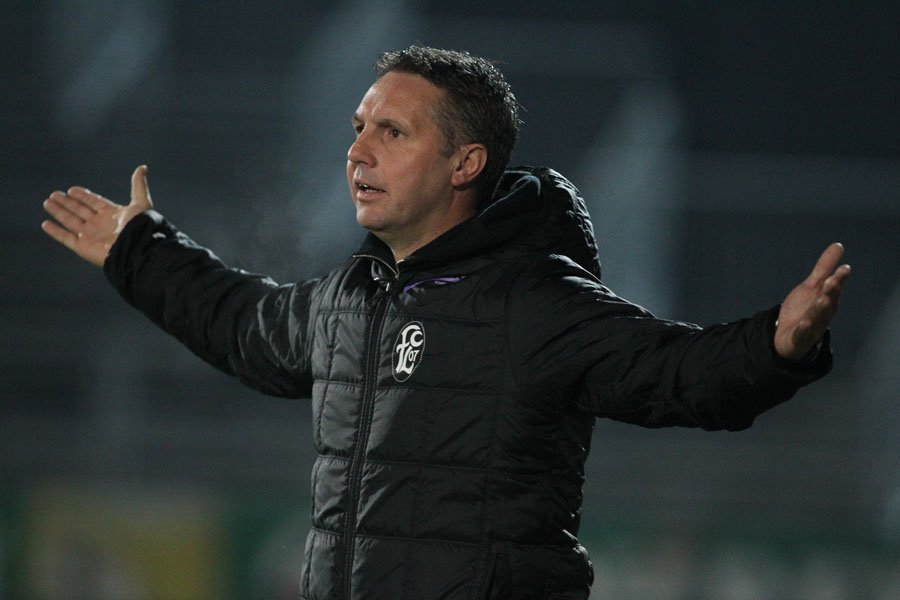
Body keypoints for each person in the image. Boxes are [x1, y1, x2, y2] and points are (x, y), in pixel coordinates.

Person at [42, 46, 850, 600]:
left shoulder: (534, 301)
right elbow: (243, 326)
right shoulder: (349, 298)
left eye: (391, 132)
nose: (358, 151)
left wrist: (776, 345)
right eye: (358, 128)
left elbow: (675, 373)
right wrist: (139, 251)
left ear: (465, 163)